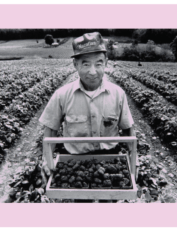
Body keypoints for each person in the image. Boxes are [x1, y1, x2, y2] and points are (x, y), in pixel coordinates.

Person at [39, 32, 135, 189]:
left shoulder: (118, 94)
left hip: (110, 159)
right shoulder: (62, 95)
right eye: (85, 64)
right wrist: (46, 159)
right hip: (76, 161)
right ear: (75, 65)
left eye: (98, 64)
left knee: (109, 199)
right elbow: (50, 130)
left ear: (106, 63)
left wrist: (133, 158)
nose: (92, 71)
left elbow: (128, 130)